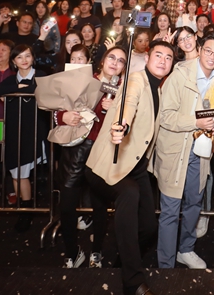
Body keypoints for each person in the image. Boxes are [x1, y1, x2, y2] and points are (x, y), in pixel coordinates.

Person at [85, 41, 175, 295]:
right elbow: (128, 104)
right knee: (129, 193)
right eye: (158, 55)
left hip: (136, 167)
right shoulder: (136, 80)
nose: (163, 61)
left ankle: (122, 264)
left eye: (168, 57)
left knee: (149, 227)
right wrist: (121, 126)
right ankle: (133, 282)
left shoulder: (158, 89)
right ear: (146, 58)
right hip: (108, 164)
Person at [154, 33, 214, 270]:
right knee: (170, 208)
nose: (212, 56)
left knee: (194, 203)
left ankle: (185, 249)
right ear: (200, 49)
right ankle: (165, 265)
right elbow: (166, 116)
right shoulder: (180, 75)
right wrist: (196, 122)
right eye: (208, 51)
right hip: (176, 149)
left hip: (201, 151)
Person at [58, 47, 127, 269]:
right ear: (102, 61)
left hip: (103, 150)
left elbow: (131, 123)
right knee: (67, 205)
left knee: (100, 206)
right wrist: (63, 116)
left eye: (121, 61)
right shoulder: (84, 80)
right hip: (76, 150)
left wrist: (115, 108)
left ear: (124, 67)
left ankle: (96, 251)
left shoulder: (124, 90)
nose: (115, 63)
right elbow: (58, 108)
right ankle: (72, 252)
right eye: (111, 57)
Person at [0, 44, 48, 232]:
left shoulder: (40, 76)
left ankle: (26, 211)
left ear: (33, 58)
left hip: (35, 131)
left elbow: (41, 91)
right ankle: (23, 207)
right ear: (14, 61)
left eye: (27, 56)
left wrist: (15, 92)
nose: (24, 60)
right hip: (15, 132)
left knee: (22, 172)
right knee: (16, 171)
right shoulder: (11, 79)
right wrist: (17, 88)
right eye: (19, 57)